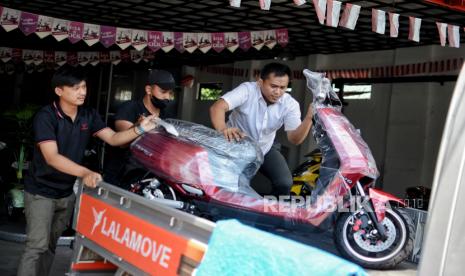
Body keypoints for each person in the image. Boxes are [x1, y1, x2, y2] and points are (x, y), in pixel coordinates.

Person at [17, 66, 158, 276]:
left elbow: (113, 138)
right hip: (40, 192)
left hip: (66, 193)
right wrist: (85, 173)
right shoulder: (46, 116)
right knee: (37, 246)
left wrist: (140, 129)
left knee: (50, 246)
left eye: (83, 87)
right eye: (75, 88)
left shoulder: (88, 115)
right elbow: (51, 157)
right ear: (59, 91)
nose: (82, 92)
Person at [209, 62, 313, 196]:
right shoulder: (247, 89)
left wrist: (309, 118)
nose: (278, 92)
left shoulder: (290, 104)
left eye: (283, 87)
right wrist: (223, 129)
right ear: (260, 82)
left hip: (265, 148)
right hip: (236, 146)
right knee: (234, 186)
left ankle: (273, 213)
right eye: (273, 86)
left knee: (285, 183)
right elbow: (217, 107)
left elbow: (294, 139)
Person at [103, 69, 175, 187]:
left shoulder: (168, 117)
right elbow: (123, 142)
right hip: (120, 174)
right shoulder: (129, 108)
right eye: (163, 91)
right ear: (148, 90)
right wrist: (139, 126)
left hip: (148, 176)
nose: (167, 97)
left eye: (170, 93)